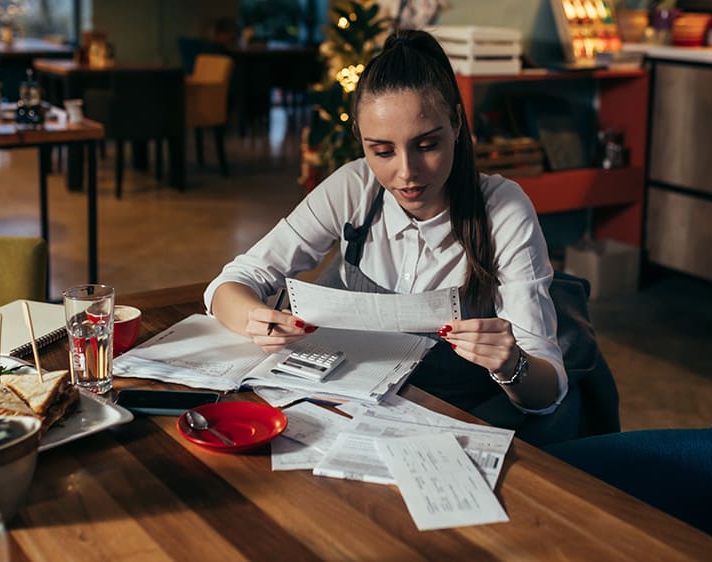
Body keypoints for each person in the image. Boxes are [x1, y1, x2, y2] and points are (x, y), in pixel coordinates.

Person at [204, 28, 567, 419]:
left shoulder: (502, 209)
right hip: (348, 409)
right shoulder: (353, 186)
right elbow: (231, 283)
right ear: (361, 139)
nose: (406, 173)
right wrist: (254, 319)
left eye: (427, 145)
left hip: (457, 421)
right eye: (382, 151)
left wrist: (512, 364)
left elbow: (547, 394)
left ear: (457, 126)